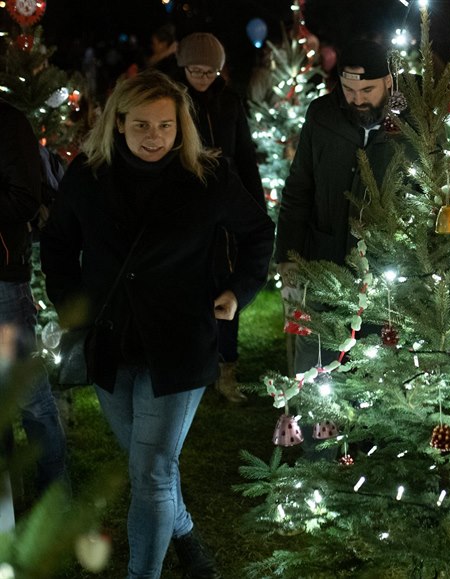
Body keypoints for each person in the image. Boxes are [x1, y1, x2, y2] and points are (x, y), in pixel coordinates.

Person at [40, 70, 275, 579]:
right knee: (152, 467)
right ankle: (186, 535)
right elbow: (57, 244)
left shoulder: (207, 176)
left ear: (180, 126)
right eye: (142, 125)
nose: (155, 137)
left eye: (166, 125)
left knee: (150, 472)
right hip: (111, 342)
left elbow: (257, 231)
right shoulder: (89, 176)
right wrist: (71, 304)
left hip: (179, 343)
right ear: (119, 123)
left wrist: (239, 291)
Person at [275, 39, 414, 376]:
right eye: (349, 89)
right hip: (326, 260)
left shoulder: (413, 124)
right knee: (318, 363)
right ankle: (313, 425)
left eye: (368, 89)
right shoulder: (322, 116)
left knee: (375, 367)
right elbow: (299, 188)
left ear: (389, 81)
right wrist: (288, 254)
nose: (358, 99)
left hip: (387, 273)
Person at [176, 32, 264, 403]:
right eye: (194, 70)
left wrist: (253, 204)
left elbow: (244, 154)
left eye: (208, 71)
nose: (201, 77)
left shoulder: (229, 102)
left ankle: (227, 368)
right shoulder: (174, 102)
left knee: (228, 285)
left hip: (226, 208)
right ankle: (193, 365)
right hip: (188, 207)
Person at [0, 97, 68, 503]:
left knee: (30, 400)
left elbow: (24, 198)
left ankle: (56, 498)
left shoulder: (9, 122)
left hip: (3, 282)